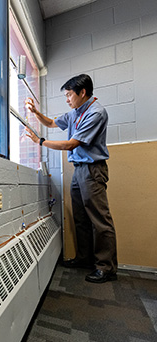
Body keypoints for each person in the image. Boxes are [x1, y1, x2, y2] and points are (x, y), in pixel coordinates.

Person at [25, 74, 117, 283]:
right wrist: (35, 112)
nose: (67, 99)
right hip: (79, 170)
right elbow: (50, 122)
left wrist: (40, 142)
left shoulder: (96, 113)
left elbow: (70, 145)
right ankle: (85, 259)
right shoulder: (76, 112)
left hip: (93, 170)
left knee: (100, 220)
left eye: (69, 95)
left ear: (82, 92)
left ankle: (106, 267)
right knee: (80, 216)